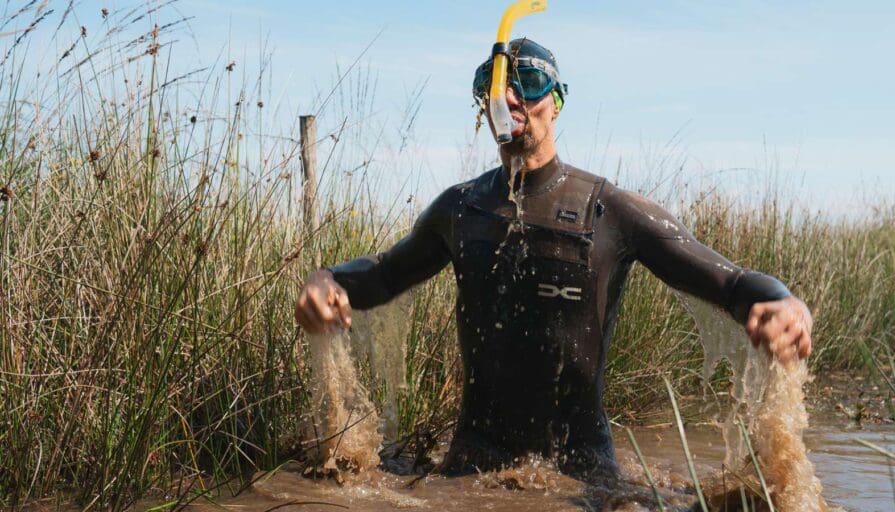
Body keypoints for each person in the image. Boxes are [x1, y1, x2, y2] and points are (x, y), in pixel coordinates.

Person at [294, 38, 813, 481]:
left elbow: (733, 282)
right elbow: (383, 274)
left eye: (530, 82)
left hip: (582, 472)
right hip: (470, 467)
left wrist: (784, 303)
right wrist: (326, 280)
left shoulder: (611, 212)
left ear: (557, 102)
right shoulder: (459, 209)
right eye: (496, 84)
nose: (512, 96)